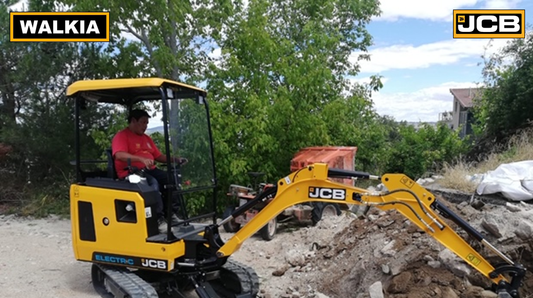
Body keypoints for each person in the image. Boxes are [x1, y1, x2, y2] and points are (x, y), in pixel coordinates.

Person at [111, 109, 187, 233]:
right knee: (153, 184)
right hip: (131, 172)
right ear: (133, 121)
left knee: (171, 179)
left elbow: (158, 156)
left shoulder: (146, 138)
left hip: (149, 170)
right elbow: (119, 155)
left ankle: (171, 215)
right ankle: (157, 219)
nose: (146, 126)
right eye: (143, 122)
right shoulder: (122, 136)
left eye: (147, 123)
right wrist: (140, 159)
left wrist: (176, 159)